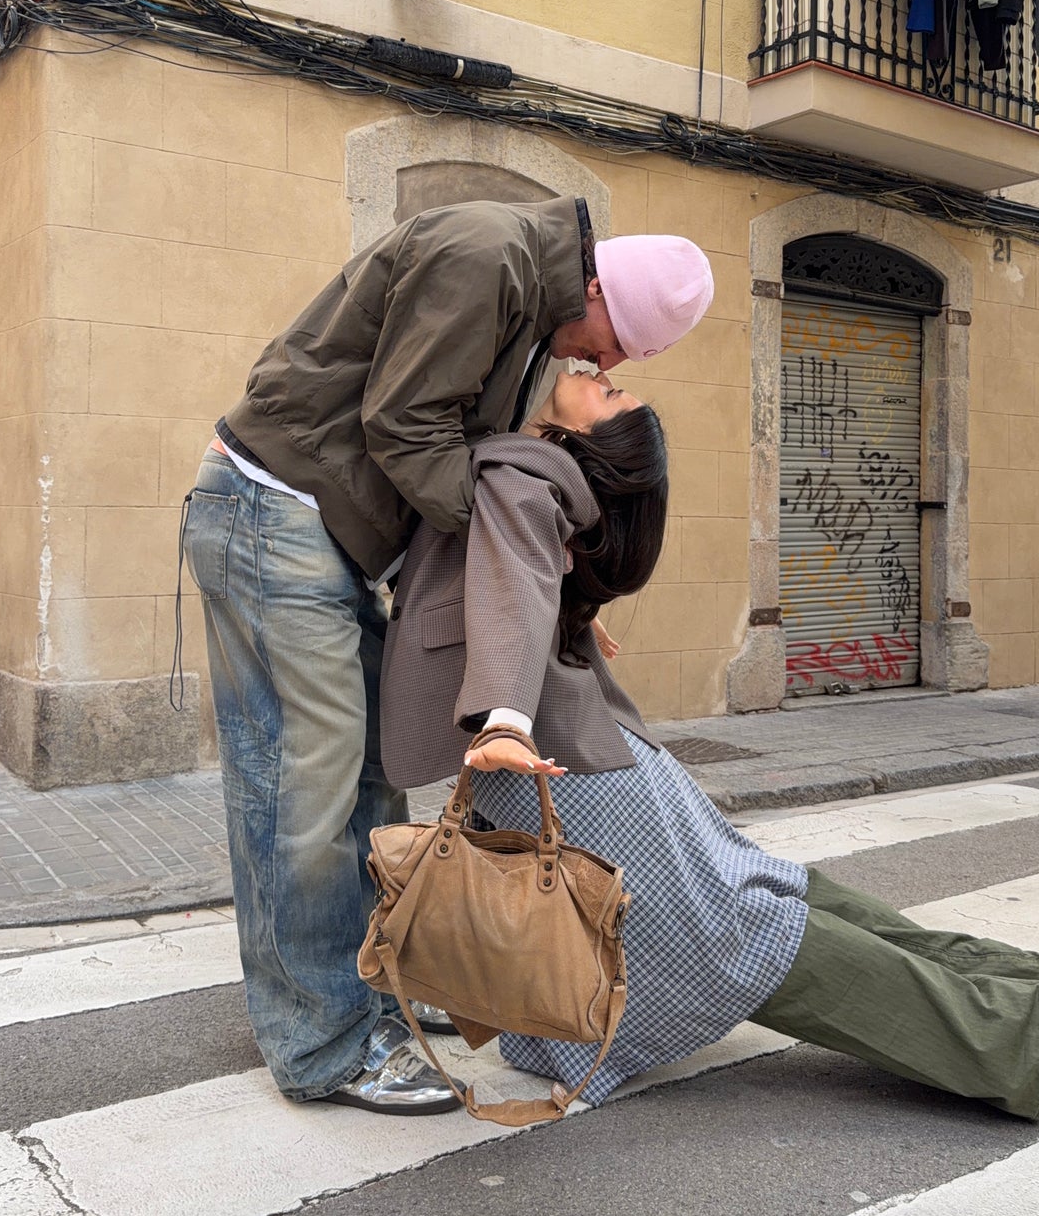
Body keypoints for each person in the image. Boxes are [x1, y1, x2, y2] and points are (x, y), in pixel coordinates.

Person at [380, 369, 1039, 1122]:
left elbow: (513, 588)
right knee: (758, 894)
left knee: (737, 933)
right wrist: (565, 622)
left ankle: (1007, 1039)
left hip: (564, 762)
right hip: (605, 758)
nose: (602, 376)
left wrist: (506, 716)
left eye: (612, 399)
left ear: (591, 444)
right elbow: (525, 586)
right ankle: (1007, 981)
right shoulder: (537, 474)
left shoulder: (523, 475)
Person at [181, 196, 714, 1115]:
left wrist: (540, 595)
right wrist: (515, 562)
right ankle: (322, 1040)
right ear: (595, 286)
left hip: (326, 532)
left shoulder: (529, 306)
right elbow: (406, 427)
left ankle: (351, 992)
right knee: (304, 786)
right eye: (616, 345)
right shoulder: (489, 256)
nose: (606, 362)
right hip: (275, 510)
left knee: (370, 778)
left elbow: (453, 458)